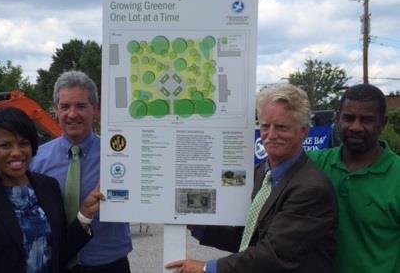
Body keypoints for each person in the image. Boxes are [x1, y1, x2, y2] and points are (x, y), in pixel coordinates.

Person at [166, 84, 338, 273]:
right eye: (265, 126)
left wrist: (208, 268)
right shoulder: (260, 174)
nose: (271, 135)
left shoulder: (311, 189)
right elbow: (249, 237)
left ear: (304, 132)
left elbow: (274, 255)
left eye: (281, 127)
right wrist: (199, 225)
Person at [0, 107, 104, 273]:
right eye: (5, 145)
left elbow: (60, 252)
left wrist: (85, 214)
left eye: (23, 144)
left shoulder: (48, 186)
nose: (16, 153)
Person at [30, 70, 133, 273]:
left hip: (109, 264)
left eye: (81, 106)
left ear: (95, 110)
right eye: (65, 106)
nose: (72, 114)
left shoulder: (120, 155)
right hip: (57, 263)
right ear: (55, 110)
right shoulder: (36, 160)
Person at [308, 83, 400, 272]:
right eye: (348, 118)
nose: (355, 127)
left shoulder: (397, 175)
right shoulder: (314, 164)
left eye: (366, 120)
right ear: (337, 118)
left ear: (382, 123)